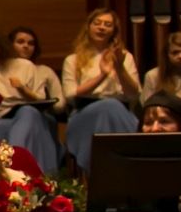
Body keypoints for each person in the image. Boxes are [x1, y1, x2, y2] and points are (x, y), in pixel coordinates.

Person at [0, 28, 58, 173]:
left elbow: (40, 99)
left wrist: (22, 88)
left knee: (28, 112)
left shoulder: (23, 65)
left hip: (25, 114)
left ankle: (16, 159)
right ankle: (10, 162)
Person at [59, 9, 140, 169]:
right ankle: (100, 170)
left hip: (119, 111)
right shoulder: (72, 60)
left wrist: (120, 68)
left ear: (114, 31)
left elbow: (134, 94)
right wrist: (102, 75)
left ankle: (125, 168)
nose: (102, 27)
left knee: (112, 106)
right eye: (97, 23)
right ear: (89, 27)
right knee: (108, 105)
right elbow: (70, 94)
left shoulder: (125, 56)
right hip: (85, 111)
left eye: (107, 24)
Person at [141, 30, 181, 102]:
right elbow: (147, 104)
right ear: (167, 55)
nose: (180, 56)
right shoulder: (152, 76)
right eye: (175, 52)